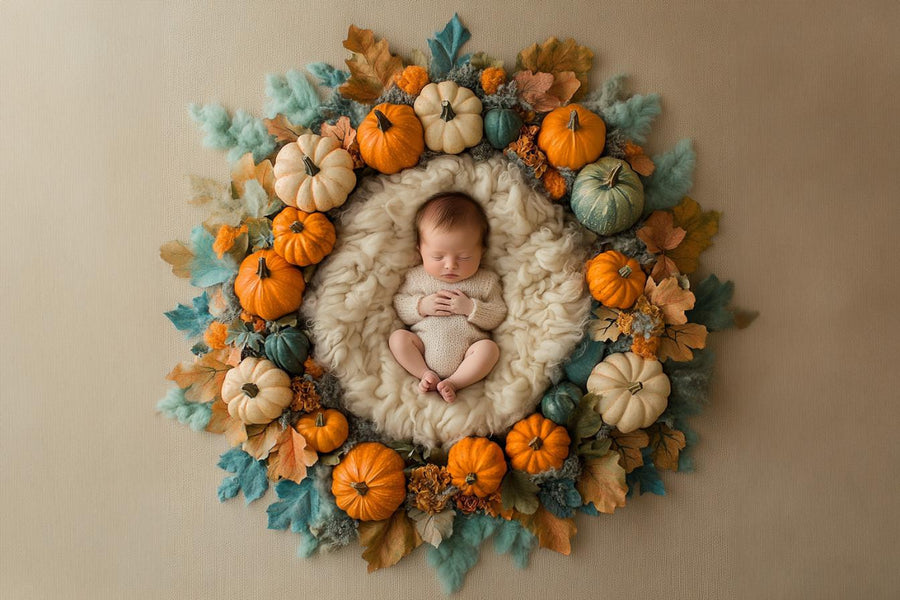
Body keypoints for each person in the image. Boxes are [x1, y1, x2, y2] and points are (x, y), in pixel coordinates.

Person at [389, 192, 507, 403]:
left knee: (489, 350)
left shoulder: (485, 280)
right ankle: (424, 373)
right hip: (422, 347)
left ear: (482, 252)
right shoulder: (417, 277)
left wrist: (471, 308)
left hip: (468, 352)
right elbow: (400, 304)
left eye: (464, 257)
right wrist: (421, 306)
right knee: (398, 338)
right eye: (437, 256)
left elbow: (498, 314)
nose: (450, 264)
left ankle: (455, 382)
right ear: (421, 251)